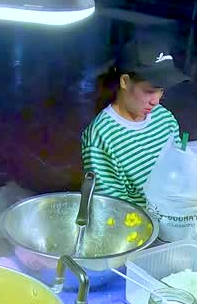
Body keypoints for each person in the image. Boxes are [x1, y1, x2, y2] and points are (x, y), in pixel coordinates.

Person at [81, 37, 189, 206]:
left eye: (161, 91)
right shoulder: (102, 136)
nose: (156, 101)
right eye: (149, 91)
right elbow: (113, 206)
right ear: (124, 82)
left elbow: (176, 168)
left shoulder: (165, 118)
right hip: (138, 224)